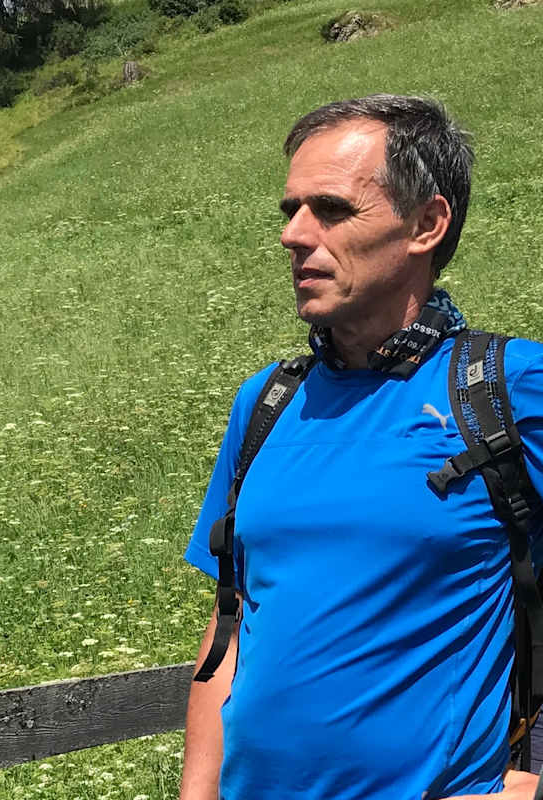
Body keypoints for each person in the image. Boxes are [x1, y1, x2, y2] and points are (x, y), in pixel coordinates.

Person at [179, 94, 543, 800]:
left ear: (427, 224)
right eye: (290, 210)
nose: (294, 234)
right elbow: (233, 619)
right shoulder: (267, 402)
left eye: (332, 210)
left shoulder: (508, 390)